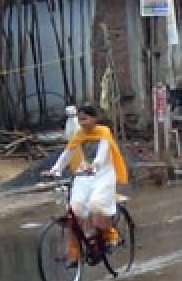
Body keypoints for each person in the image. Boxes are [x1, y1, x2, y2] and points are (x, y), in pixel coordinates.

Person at [46, 104, 130, 262]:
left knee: (96, 204)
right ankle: (75, 253)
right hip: (85, 174)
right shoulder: (79, 134)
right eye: (80, 119)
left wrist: (95, 165)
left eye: (85, 119)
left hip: (104, 174)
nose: (83, 122)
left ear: (94, 118)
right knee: (76, 209)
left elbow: (103, 152)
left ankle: (111, 234)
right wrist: (55, 169)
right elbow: (68, 152)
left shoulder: (103, 132)